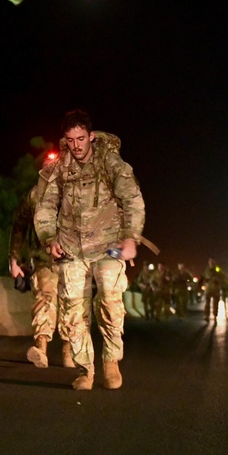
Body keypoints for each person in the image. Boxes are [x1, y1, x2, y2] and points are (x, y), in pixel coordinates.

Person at [34, 110, 145, 390]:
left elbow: (132, 200)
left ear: (91, 137)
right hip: (71, 248)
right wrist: (49, 238)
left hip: (108, 248)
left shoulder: (111, 164)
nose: (76, 145)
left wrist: (131, 238)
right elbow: (45, 207)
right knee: (73, 312)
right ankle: (86, 370)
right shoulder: (58, 169)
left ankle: (111, 362)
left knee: (109, 301)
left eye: (81, 138)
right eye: (70, 140)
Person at [9, 179, 73, 369]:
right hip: (43, 259)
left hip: (72, 261)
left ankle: (69, 350)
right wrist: (13, 260)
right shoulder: (34, 196)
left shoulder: (77, 190)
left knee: (71, 302)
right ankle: (41, 348)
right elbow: (19, 227)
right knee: (44, 299)